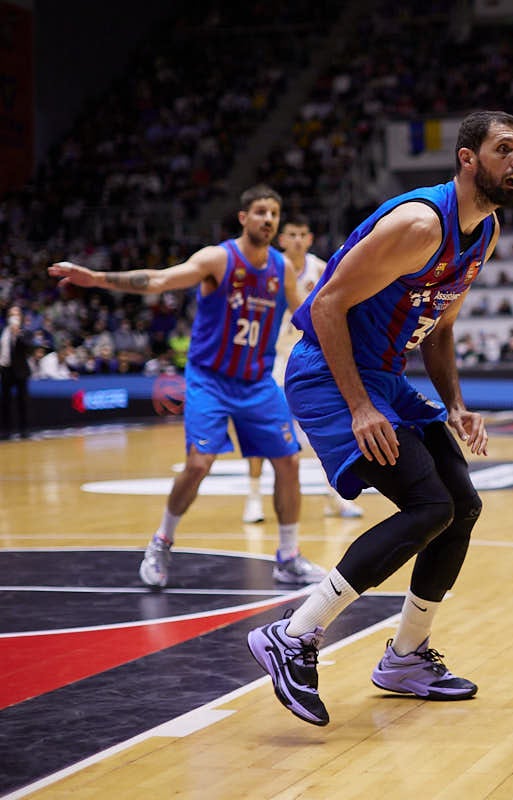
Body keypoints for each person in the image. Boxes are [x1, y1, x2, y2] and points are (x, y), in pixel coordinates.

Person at [246, 110, 513, 726]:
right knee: (429, 506)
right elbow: (326, 307)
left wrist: (455, 404)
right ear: (467, 158)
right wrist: (359, 407)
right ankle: (293, 635)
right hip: (329, 373)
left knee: (461, 505)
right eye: (503, 148)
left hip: (386, 378)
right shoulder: (422, 224)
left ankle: (405, 657)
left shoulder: (487, 231)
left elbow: (441, 326)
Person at [48, 185, 325, 588]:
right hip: (210, 379)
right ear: (243, 217)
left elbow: (306, 312)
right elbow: (159, 280)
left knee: (289, 462)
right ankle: (162, 541)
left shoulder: (281, 268)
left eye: (274, 214)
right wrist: (97, 279)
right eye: (261, 212)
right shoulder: (217, 258)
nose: (269, 219)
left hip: (256, 381)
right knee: (198, 465)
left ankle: (288, 556)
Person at [243, 216, 364, 524]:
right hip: (271, 360)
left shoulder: (322, 269)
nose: (297, 239)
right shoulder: (265, 270)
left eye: (302, 234)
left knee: (329, 428)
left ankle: (334, 496)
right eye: (291, 234)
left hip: (308, 357)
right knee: (261, 429)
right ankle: (253, 498)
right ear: (281, 240)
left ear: (309, 239)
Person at [0, 305, 34, 439]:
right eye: (11, 315)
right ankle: (6, 431)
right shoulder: (3, 331)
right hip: (6, 370)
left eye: (16, 314)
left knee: (22, 402)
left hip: (20, 371)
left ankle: (24, 430)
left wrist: (17, 334)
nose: (14, 317)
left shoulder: (25, 332)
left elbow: (29, 348)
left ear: (20, 317)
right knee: (5, 402)